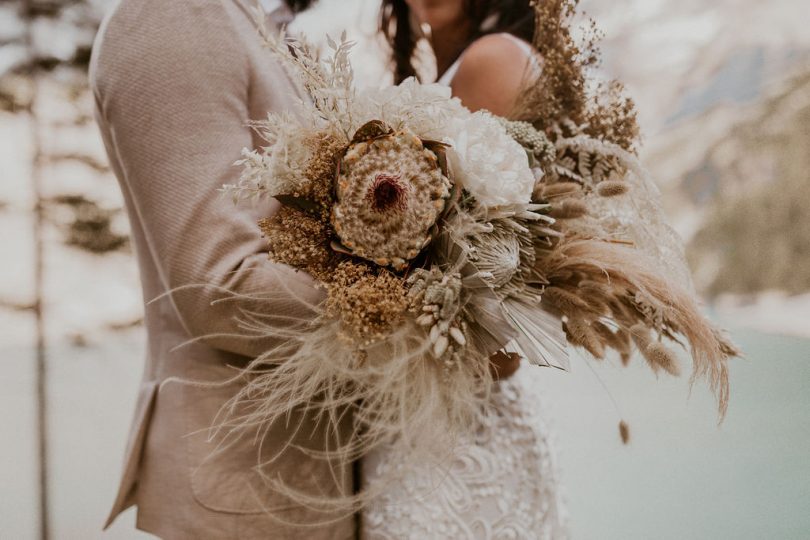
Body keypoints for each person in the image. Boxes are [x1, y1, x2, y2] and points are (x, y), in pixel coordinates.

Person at [89, 0, 356, 538]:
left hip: (295, 474)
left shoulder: (245, 19)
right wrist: (422, 302)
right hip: (247, 484)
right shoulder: (174, 17)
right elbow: (219, 287)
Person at [360, 1, 568, 538]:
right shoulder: (483, 59)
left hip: (452, 437)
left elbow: (493, 311)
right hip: (449, 418)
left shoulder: (490, 61)